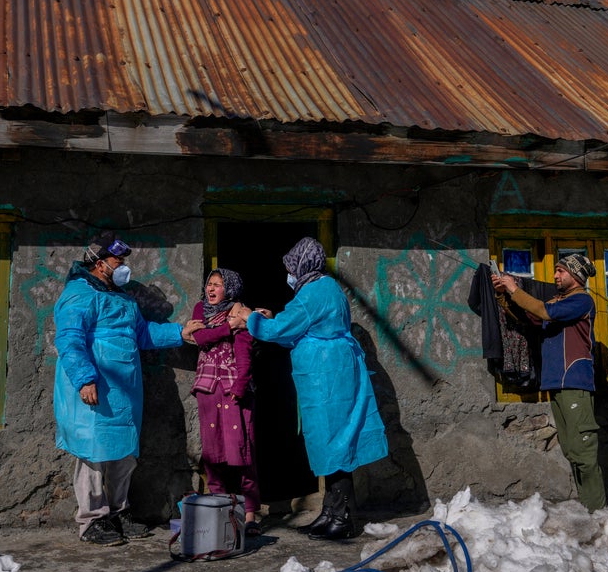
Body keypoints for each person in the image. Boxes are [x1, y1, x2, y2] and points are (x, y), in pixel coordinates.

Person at [53, 234, 203, 546]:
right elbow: (69, 339)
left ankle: (119, 512)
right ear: (99, 263)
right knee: (92, 454)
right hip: (96, 387)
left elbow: (143, 333)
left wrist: (180, 332)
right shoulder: (78, 294)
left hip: (124, 390)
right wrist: (84, 379)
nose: (122, 267)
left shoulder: (122, 297)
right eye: (118, 261)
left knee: (124, 454)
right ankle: (92, 520)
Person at [239, 237, 388, 540]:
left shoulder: (312, 293)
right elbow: (299, 326)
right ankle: (330, 511)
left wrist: (249, 317)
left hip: (326, 378)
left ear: (301, 264)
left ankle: (343, 518)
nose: (290, 274)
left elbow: (280, 331)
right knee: (331, 443)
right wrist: (273, 319)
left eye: (291, 267)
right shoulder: (327, 288)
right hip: (331, 373)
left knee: (335, 444)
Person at [493, 253, 606, 511]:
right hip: (557, 383)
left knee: (584, 452)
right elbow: (528, 317)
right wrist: (504, 295)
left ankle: (598, 512)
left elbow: (544, 311)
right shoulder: (559, 301)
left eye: (561, 271)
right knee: (571, 451)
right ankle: (589, 507)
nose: (555, 276)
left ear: (576, 275)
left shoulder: (581, 300)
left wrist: (514, 287)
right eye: (556, 271)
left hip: (574, 383)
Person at [190, 268, 262, 536]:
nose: (211, 289)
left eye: (218, 285)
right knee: (213, 452)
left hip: (234, 390)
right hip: (208, 388)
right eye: (209, 283)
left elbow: (244, 350)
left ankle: (251, 514)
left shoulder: (240, 312)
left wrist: (241, 385)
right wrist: (227, 327)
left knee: (242, 451)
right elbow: (200, 337)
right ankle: (218, 508)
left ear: (229, 289)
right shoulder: (201, 309)